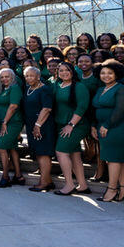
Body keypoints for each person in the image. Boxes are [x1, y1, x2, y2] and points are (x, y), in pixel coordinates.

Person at [92, 59, 124, 202]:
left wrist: (107, 125)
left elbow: (121, 110)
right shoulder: (100, 89)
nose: (106, 76)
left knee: (113, 159)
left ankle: (112, 189)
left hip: (117, 127)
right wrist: (94, 126)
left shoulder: (121, 89)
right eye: (103, 73)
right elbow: (95, 108)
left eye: (110, 73)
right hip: (102, 126)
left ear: (117, 74)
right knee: (117, 159)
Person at [51, 61, 90, 196]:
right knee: (75, 154)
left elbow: (82, 107)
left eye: (67, 70)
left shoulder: (79, 86)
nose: (64, 73)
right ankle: (83, 185)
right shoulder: (57, 85)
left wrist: (71, 125)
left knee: (61, 152)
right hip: (60, 124)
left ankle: (69, 184)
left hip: (76, 125)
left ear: (73, 72)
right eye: (60, 70)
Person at [21, 66, 56, 191]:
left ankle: (43, 183)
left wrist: (38, 125)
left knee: (43, 153)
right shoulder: (28, 89)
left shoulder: (44, 89)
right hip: (32, 124)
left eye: (31, 75)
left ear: (38, 76)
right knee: (38, 152)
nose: (29, 78)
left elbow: (46, 108)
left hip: (42, 125)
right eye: (27, 76)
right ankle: (49, 181)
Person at [0, 67, 24, 188]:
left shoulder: (15, 88)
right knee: (12, 148)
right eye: (2, 77)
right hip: (4, 121)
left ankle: (5, 177)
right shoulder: (3, 89)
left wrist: (5, 122)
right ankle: (18, 176)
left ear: (12, 77)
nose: (4, 79)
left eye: (7, 76)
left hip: (12, 122)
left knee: (1, 146)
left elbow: (13, 106)